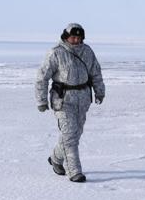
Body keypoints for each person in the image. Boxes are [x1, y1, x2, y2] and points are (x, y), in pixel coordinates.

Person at [35, 23, 105, 183]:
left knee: (75, 134)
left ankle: (55, 159)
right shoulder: (56, 53)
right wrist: (41, 100)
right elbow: (42, 77)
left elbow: (96, 72)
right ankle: (74, 171)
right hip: (63, 100)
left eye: (79, 37)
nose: (76, 40)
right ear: (66, 37)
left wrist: (99, 91)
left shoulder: (87, 52)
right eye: (73, 37)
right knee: (69, 135)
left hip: (82, 99)